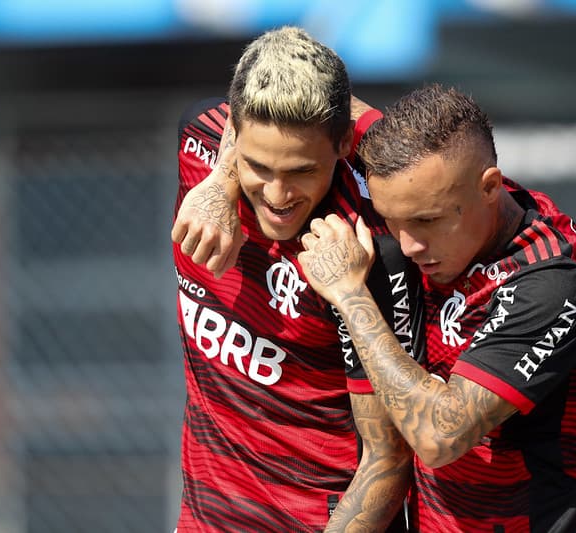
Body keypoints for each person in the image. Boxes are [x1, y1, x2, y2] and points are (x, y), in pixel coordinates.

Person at [296, 84, 576, 532]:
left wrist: (350, 296)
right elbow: (299, 92)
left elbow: (438, 436)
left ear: (490, 187)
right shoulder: (423, 169)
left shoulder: (554, 279)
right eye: (393, 220)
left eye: (426, 220)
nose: (409, 245)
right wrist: (220, 182)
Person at [170, 27, 418, 532]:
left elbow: (388, 462)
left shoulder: (370, 249)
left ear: (345, 144)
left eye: (302, 171)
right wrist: (222, 179)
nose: (278, 194)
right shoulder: (197, 141)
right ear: (233, 138)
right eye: (259, 166)